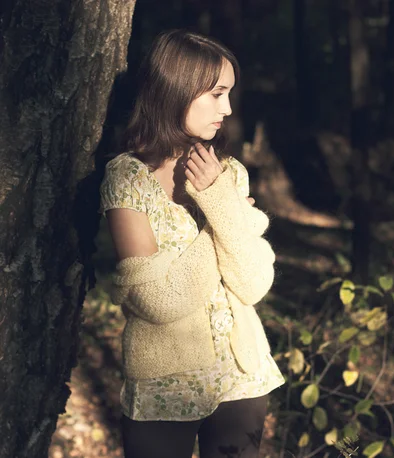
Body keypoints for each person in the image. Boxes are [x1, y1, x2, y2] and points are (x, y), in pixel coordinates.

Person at [99, 30, 284, 458]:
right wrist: (232, 219)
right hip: (164, 387)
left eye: (230, 94)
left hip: (242, 378)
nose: (228, 108)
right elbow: (157, 301)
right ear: (177, 90)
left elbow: (253, 284)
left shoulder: (229, 174)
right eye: (217, 94)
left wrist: (219, 196)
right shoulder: (129, 178)